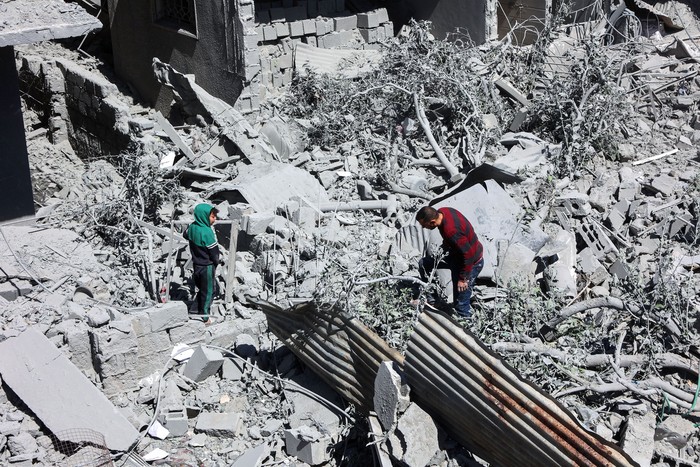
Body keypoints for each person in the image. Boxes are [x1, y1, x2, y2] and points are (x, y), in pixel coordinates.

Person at [416, 205, 484, 318]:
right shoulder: (444, 211)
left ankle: (467, 328)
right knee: (424, 263)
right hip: (456, 255)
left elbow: (469, 254)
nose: (424, 227)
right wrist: (444, 248)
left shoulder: (451, 231)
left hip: (470, 263)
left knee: (460, 305)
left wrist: (463, 279)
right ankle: (433, 301)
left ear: (432, 222)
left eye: (424, 225)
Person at [183, 203, 220, 324]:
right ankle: (204, 315)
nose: (215, 219)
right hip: (207, 266)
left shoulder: (192, 227)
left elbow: (185, 234)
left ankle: (194, 309)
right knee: (210, 290)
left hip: (196, 264)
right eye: (213, 217)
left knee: (202, 289)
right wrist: (216, 263)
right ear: (204, 216)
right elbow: (214, 253)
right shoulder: (207, 232)